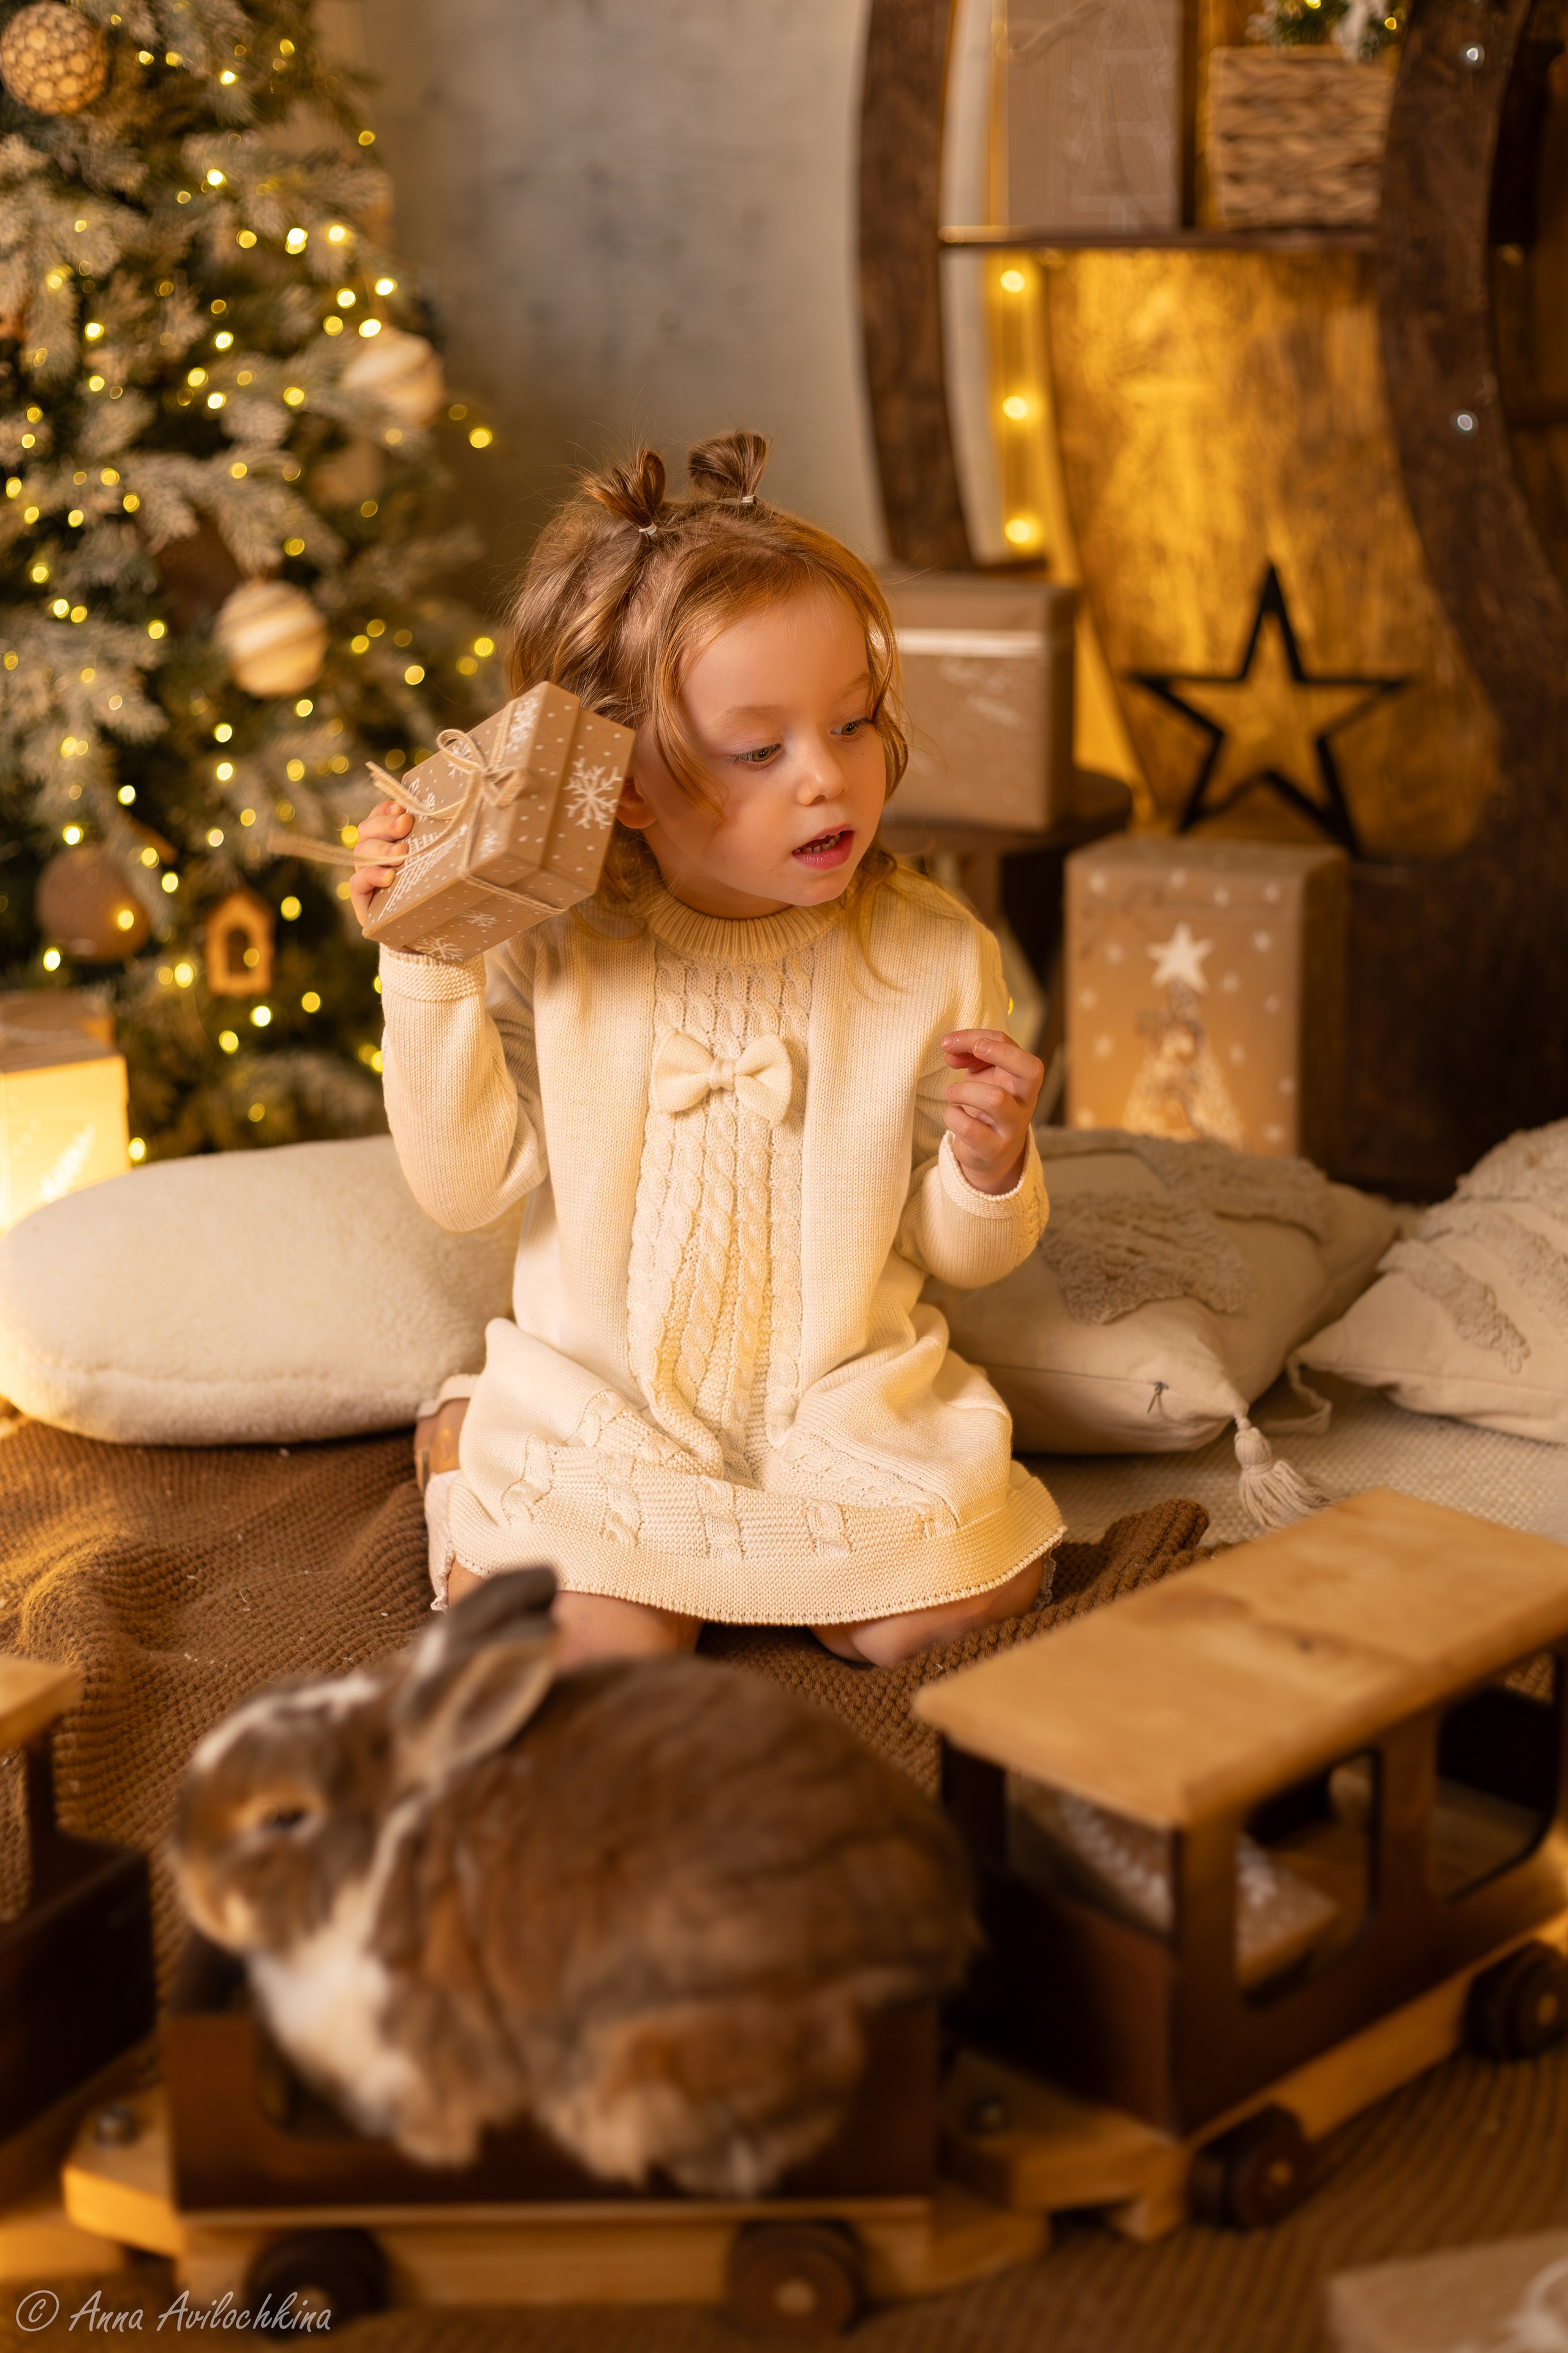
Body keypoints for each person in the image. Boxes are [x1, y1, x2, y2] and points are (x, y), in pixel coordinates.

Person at [352, 430, 1063, 1669]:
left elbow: (954, 1253)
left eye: (852, 723)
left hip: (835, 1404)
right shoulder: (556, 942)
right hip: (608, 1405)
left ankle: (804, 1537)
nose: (826, 779)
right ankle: (466, 1451)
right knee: (596, 1649)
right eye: (757, 749)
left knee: (922, 1618)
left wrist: (987, 1169)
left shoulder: (929, 953)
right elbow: (465, 1193)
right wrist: (427, 959)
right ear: (624, 780)